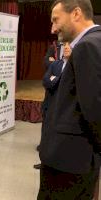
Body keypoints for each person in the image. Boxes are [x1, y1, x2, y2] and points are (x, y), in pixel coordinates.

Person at [38, 0, 101, 199]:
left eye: (56, 20)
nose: (53, 28)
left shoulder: (87, 47)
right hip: (80, 159)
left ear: (76, 13)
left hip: (69, 161)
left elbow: (94, 109)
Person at [34, 42, 72, 170]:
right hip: (49, 105)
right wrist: (57, 80)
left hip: (64, 109)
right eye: (65, 46)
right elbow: (45, 81)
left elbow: (67, 87)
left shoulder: (76, 67)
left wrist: (54, 79)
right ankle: (45, 162)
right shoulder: (56, 64)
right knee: (46, 134)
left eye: (70, 46)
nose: (66, 48)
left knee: (59, 138)